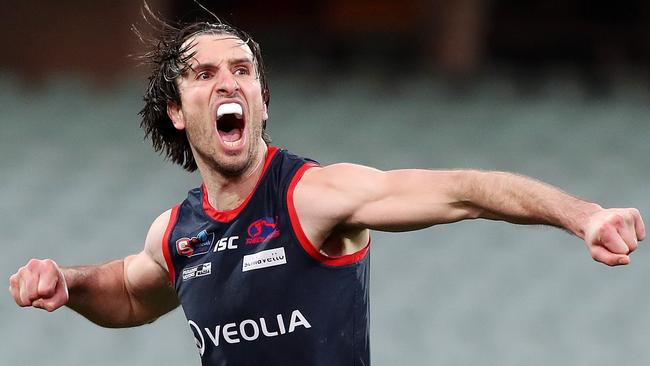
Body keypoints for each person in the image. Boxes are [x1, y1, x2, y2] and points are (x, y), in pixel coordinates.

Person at [8, 16, 645, 366]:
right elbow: (128, 294)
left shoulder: (312, 196)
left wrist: (582, 214)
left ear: (260, 99)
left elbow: (464, 192)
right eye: (205, 74)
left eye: (244, 71)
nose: (230, 82)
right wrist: (70, 284)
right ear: (177, 110)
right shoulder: (176, 233)